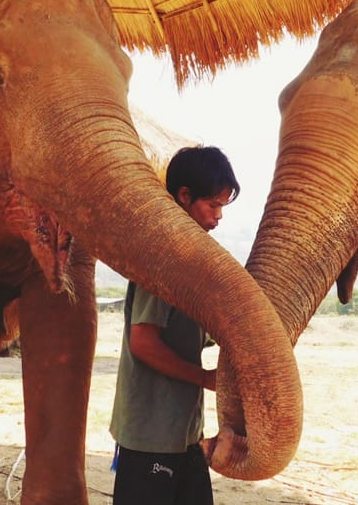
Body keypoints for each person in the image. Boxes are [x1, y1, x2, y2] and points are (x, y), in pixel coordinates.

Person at [109, 145, 240, 505]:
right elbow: (143, 342)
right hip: (150, 435)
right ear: (184, 197)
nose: (219, 216)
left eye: (222, 207)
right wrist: (206, 379)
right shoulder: (160, 260)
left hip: (183, 433)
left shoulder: (186, 262)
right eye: (213, 205)